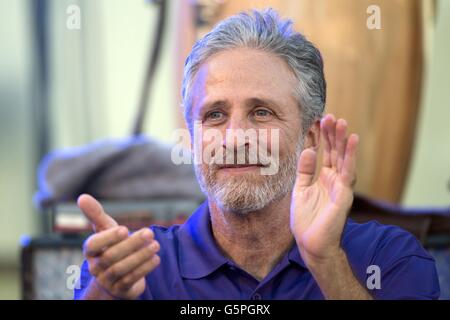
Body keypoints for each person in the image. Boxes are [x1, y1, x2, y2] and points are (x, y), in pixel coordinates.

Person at [75, 8, 439, 300]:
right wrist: (106, 294)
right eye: (214, 115)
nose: (235, 138)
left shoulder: (389, 259)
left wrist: (325, 262)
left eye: (261, 112)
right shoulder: (135, 269)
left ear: (310, 136)